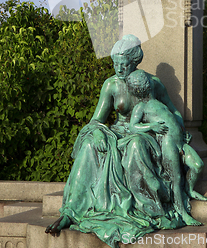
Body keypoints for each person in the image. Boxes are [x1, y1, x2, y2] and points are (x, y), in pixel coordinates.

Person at [45, 34, 194, 248]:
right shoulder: (111, 85)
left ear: (134, 62)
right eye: (115, 64)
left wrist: (179, 133)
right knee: (88, 145)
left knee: (136, 145)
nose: (118, 69)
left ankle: (151, 207)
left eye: (123, 64)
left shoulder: (153, 84)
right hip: (117, 132)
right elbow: (97, 119)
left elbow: (172, 112)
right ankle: (71, 210)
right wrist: (97, 132)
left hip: (144, 135)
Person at [127, 69, 207, 226]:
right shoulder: (140, 107)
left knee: (198, 165)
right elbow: (132, 126)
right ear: (141, 88)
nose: (150, 82)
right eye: (146, 81)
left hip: (180, 142)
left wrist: (183, 131)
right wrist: (152, 126)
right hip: (167, 143)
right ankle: (183, 214)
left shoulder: (158, 102)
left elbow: (173, 117)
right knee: (175, 179)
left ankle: (189, 189)